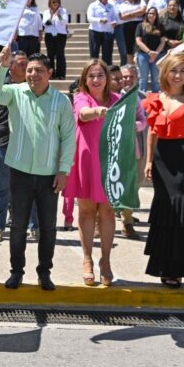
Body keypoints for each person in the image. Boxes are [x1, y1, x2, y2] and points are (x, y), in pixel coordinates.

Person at [0, 49, 77, 291]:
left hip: (50, 174)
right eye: (29, 70)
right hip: (20, 171)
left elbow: (69, 138)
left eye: (38, 70)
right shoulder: (16, 93)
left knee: (47, 227)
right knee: (17, 226)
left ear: (49, 73)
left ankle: (44, 272)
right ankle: (16, 272)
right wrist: (3, 67)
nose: (32, 74)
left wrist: (63, 170)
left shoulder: (61, 101)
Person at [142, 53, 184, 288]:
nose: (178, 75)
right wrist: (149, 161)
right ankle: (164, 267)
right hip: (161, 161)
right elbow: (152, 133)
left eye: (183, 71)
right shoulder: (157, 98)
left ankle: (180, 268)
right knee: (165, 209)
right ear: (165, 72)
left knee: (182, 206)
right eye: (174, 70)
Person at [64, 60, 120, 287]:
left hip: (110, 162)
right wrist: (98, 111)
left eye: (100, 75)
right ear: (84, 80)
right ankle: (87, 260)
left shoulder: (118, 100)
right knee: (87, 212)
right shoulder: (80, 98)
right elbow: (83, 114)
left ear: (107, 78)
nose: (96, 80)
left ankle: (105, 261)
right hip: (86, 161)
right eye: (91, 76)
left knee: (107, 212)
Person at [0, 50, 29, 242]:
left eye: (26, 63)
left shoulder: (34, 89)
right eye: (20, 63)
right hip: (3, 141)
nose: (24, 67)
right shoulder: (2, 88)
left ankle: (33, 225)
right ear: (11, 67)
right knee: (3, 186)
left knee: (29, 187)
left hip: (27, 143)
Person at [119, 64, 149, 239]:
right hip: (116, 149)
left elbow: (143, 120)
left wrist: (135, 125)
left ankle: (126, 217)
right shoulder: (113, 96)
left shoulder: (142, 97)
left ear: (137, 77)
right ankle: (126, 222)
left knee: (134, 185)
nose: (127, 80)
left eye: (131, 76)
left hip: (136, 148)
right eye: (124, 77)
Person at [134, 7, 166, 92]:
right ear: (147, 14)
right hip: (143, 55)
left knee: (155, 80)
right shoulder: (140, 26)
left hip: (157, 56)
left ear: (156, 15)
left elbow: (162, 42)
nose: (151, 15)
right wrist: (149, 52)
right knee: (143, 79)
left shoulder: (160, 26)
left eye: (153, 13)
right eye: (150, 13)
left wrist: (155, 54)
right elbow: (138, 42)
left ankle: (155, 99)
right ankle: (142, 100)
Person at [86, 0, 119, 65]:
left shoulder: (111, 6)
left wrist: (115, 22)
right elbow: (89, 18)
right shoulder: (93, 5)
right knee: (94, 53)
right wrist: (100, 20)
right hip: (95, 31)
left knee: (107, 54)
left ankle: (107, 72)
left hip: (108, 32)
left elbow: (115, 17)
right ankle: (93, 69)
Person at [118, 0, 147, 66]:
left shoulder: (141, 1)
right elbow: (122, 17)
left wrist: (130, 15)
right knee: (129, 48)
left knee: (140, 45)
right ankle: (131, 66)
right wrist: (137, 13)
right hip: (127, 26)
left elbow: (143, 10)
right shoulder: (122, 4)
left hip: (139, 25)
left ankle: (141, 65)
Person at [41, 0, 68, 79]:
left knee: (60, 54)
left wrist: (59, 15)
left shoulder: (63, 11)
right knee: (50, 55)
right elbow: (45, 23)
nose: (55, 4)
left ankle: (61, 75)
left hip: (61, 35)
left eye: (57, 2)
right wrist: (52, 16)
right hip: (49, 35)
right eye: (53, 2)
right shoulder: (46, 12)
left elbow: (64, 22)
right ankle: (51, 74)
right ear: (50, 3)